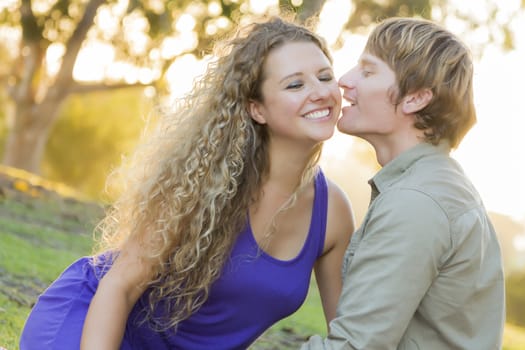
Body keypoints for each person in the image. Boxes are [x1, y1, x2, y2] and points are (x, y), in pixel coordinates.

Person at [19, 16, 355, 350]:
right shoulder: (204, 181)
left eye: (325, 77)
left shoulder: (333, 213)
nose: (320, 92)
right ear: (257, 109)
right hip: (91, 325)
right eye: (295, 85)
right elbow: (119, 285)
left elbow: (351, 334)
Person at [302, 17, 505, 350]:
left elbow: (353, 346)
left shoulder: (417, 201)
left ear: (415, 99)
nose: (344, 81)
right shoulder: (435, 185)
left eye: (368, 71)